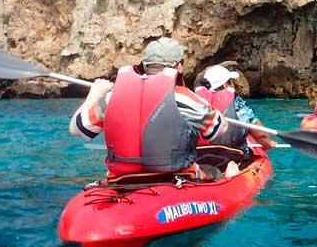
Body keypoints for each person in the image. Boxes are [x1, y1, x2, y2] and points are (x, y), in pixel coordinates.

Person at [69, 37, 240, 181]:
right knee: (215, 171)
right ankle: (229, 178)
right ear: (179, 67)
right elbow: (217, 129)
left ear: (144, 65)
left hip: (123, 179)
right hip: (176, 177)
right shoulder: (184, 97)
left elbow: (77, 129)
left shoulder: (112, 97)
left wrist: (94, 95)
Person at [194, 65, 275, 160]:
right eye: (231, 81)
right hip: (234, 157)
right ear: (226, 85)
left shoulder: (194, 100)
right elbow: (258, 131)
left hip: (199, 157)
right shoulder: (237, 103)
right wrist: (268, 143)